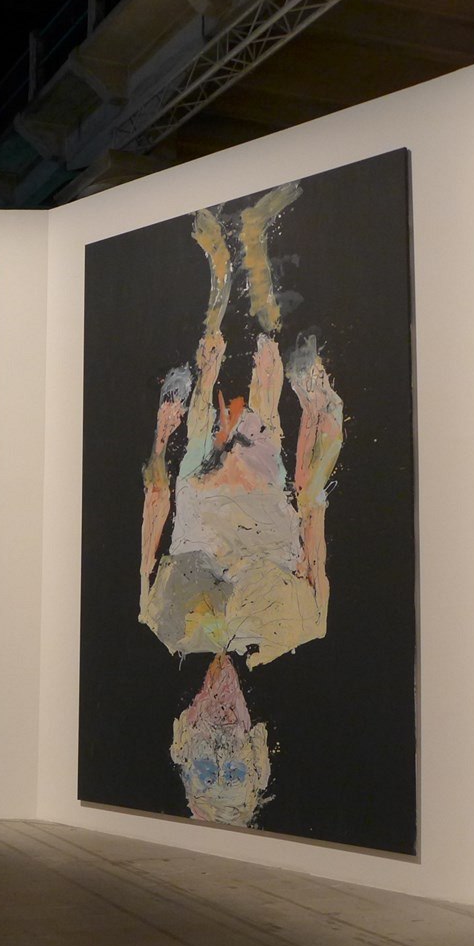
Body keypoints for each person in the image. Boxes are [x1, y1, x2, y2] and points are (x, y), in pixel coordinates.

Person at [140, 195, 343, 826]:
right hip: (262, 473)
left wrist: (160, 436)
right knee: (265, 355)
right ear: (259, 753)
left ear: (181, 741)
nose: (221, 745)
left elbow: (154, 513)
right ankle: (253, 239)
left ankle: (219, 270)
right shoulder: (301, 627)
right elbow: (313, 511)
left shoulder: (161, 623)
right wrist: (320, 423)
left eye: (206, 769)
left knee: (211, 359)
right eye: (236, 770)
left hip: (201, 477)